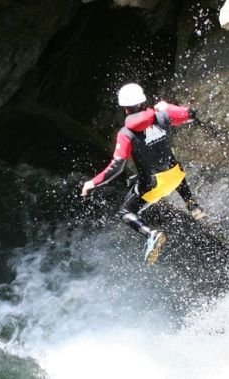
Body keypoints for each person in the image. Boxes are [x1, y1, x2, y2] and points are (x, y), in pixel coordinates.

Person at [81, 83, 207, 264]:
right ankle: (192, 204)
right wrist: (168, 107)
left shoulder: (126, 133)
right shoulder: (163, 115)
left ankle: (151, 234)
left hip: (155, 184)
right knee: (168, 167)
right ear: (143, 100)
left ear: (125, 108)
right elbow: (190, 115)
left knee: (125, 212)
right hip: (177, 175)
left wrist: (91, 183)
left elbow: (117, 167)